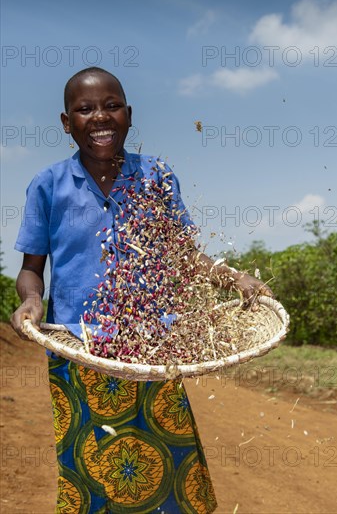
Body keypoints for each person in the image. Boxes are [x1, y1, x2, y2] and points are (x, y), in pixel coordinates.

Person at [11, 67, 273, 513]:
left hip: (150, 344)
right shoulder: (48, 186)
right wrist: (32, 300)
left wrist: (235, 278)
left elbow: (185, 256)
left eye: (112, 106)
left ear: (129, 115)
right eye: (85, 108)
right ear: (65, 121)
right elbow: (31, 269)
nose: (100, 117)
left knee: (166, 460)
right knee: (91, 463)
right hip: (78, 346)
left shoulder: (155, 176)